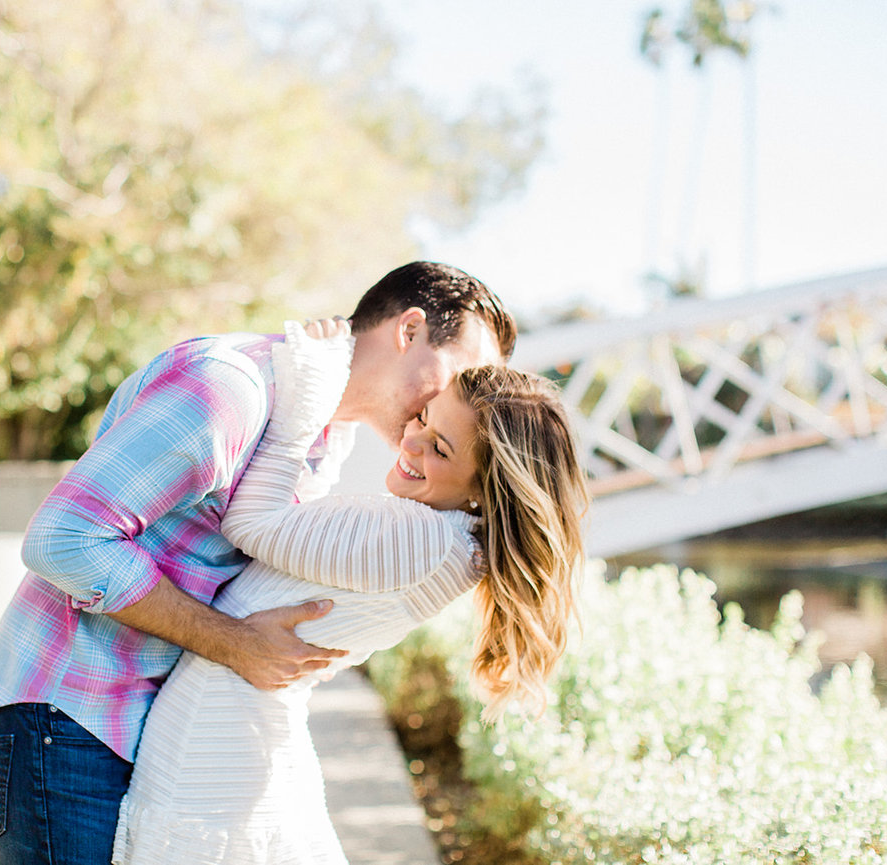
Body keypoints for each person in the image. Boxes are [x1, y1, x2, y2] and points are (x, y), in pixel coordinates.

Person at [0, 262, 517, 864]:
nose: (461, 403)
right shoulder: (229, 388)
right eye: (462, 374)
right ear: (409, 331)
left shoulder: (327, 431)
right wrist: (236, 643)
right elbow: (65, 539)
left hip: (134, 721)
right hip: (69, 714)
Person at [111, 320, 589, 864]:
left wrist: (303, 400)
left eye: (440, 448)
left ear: (486, 486)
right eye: (424, 418)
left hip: (216, 743)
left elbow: (252, 526)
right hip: (241, 731)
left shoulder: (420, 539)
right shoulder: (448, 541)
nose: (411, 440)